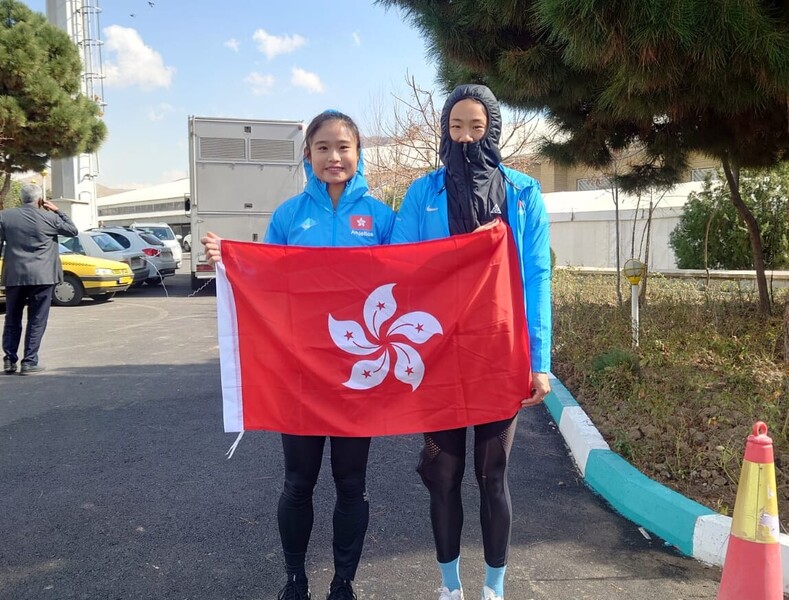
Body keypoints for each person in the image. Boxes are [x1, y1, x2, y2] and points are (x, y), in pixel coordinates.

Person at [202, 110, 395, 600]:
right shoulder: (289, 215)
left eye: (344, 147)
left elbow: (413, 275)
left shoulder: (380, 215)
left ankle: (344, 583)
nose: (334, 156)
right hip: (301, 371)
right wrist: (230, 260)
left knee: (352, 484)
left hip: (359, 373)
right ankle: (295, 579)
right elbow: (266, 282)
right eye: (323, 147)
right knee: (298, 482)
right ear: (307, 153)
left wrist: (471, 250)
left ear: (359, 153)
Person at [391, 85, 552, 600]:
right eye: (456, 127)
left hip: (499, 355)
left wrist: (539, 360)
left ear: (494, 130)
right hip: (437, 355)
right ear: (444, 130)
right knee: (443, 472)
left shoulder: (523, 194)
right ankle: (449, 587)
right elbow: (399, 266)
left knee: (491, 473)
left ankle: (494, 588)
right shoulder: (423, 193)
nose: (465, 137)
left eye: (476, 128)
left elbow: (538, 277)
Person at [1, 184, 79, 375]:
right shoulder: (50, 218)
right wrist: (58, 211)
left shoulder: (4, 216)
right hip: (43, 277)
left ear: (21, 199)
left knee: (12, 318)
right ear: (40, 200)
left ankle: (9, 360)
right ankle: (29, 361)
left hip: (15, 275)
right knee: (37, 319)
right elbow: (72, 230)